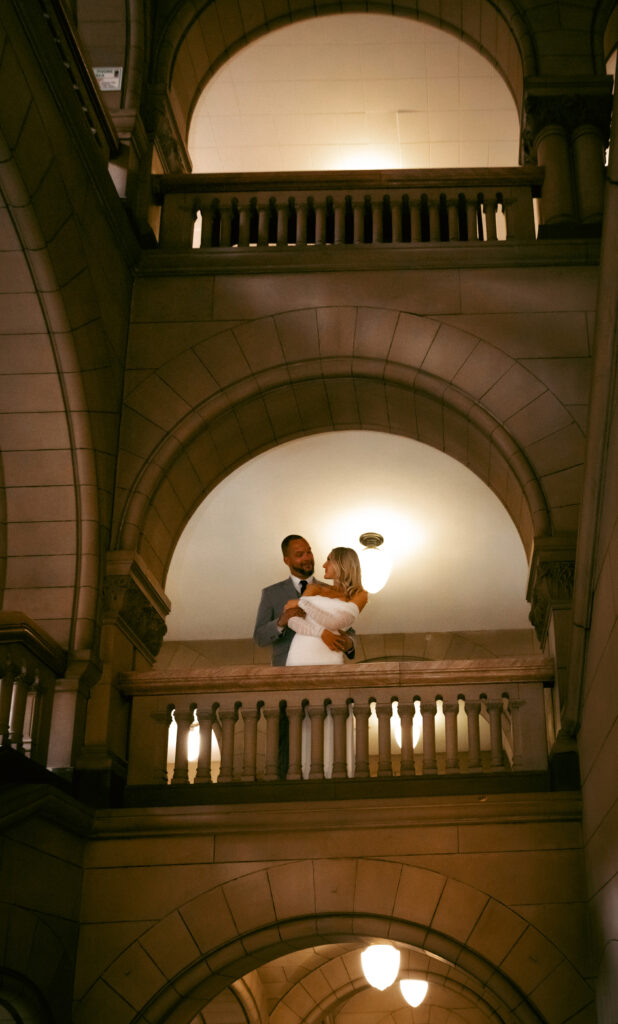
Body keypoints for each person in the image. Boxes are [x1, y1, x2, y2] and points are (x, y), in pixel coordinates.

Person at [254, 535, 356, 666]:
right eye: (299, 554)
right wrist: (281, 621)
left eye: (309, 552)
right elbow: (259, 638)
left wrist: (349, 643)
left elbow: (349, 630)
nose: (307, 558)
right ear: (287, 560)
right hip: (286, 674)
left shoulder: (333, 591)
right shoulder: (271, 593)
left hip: (328, 669)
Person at [285, 547, 368, 666]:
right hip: (298, 655)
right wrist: (322, 633)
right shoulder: (314, 588)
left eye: (329, 560)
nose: (324, 565)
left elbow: (336, 622)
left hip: (329, 656)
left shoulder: (360, 595)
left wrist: (301, 603)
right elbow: (293, 620)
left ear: (342, 563)